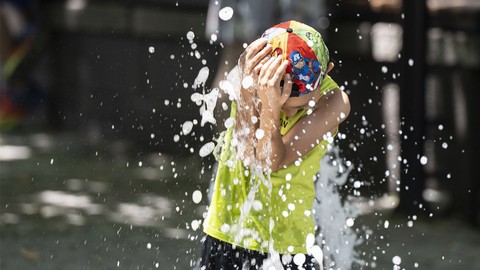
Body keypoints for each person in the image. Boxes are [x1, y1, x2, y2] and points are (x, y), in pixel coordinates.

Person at [199, 20, 350, 269]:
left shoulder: (334, 101)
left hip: (286, 245)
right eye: (283, 104)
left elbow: (270, 162)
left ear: (327, 72)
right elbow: (248, 155)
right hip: (227, 231)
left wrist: (270, 108)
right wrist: (253, 94)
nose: (289, 115)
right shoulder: (253, 77)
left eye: (299, 106)